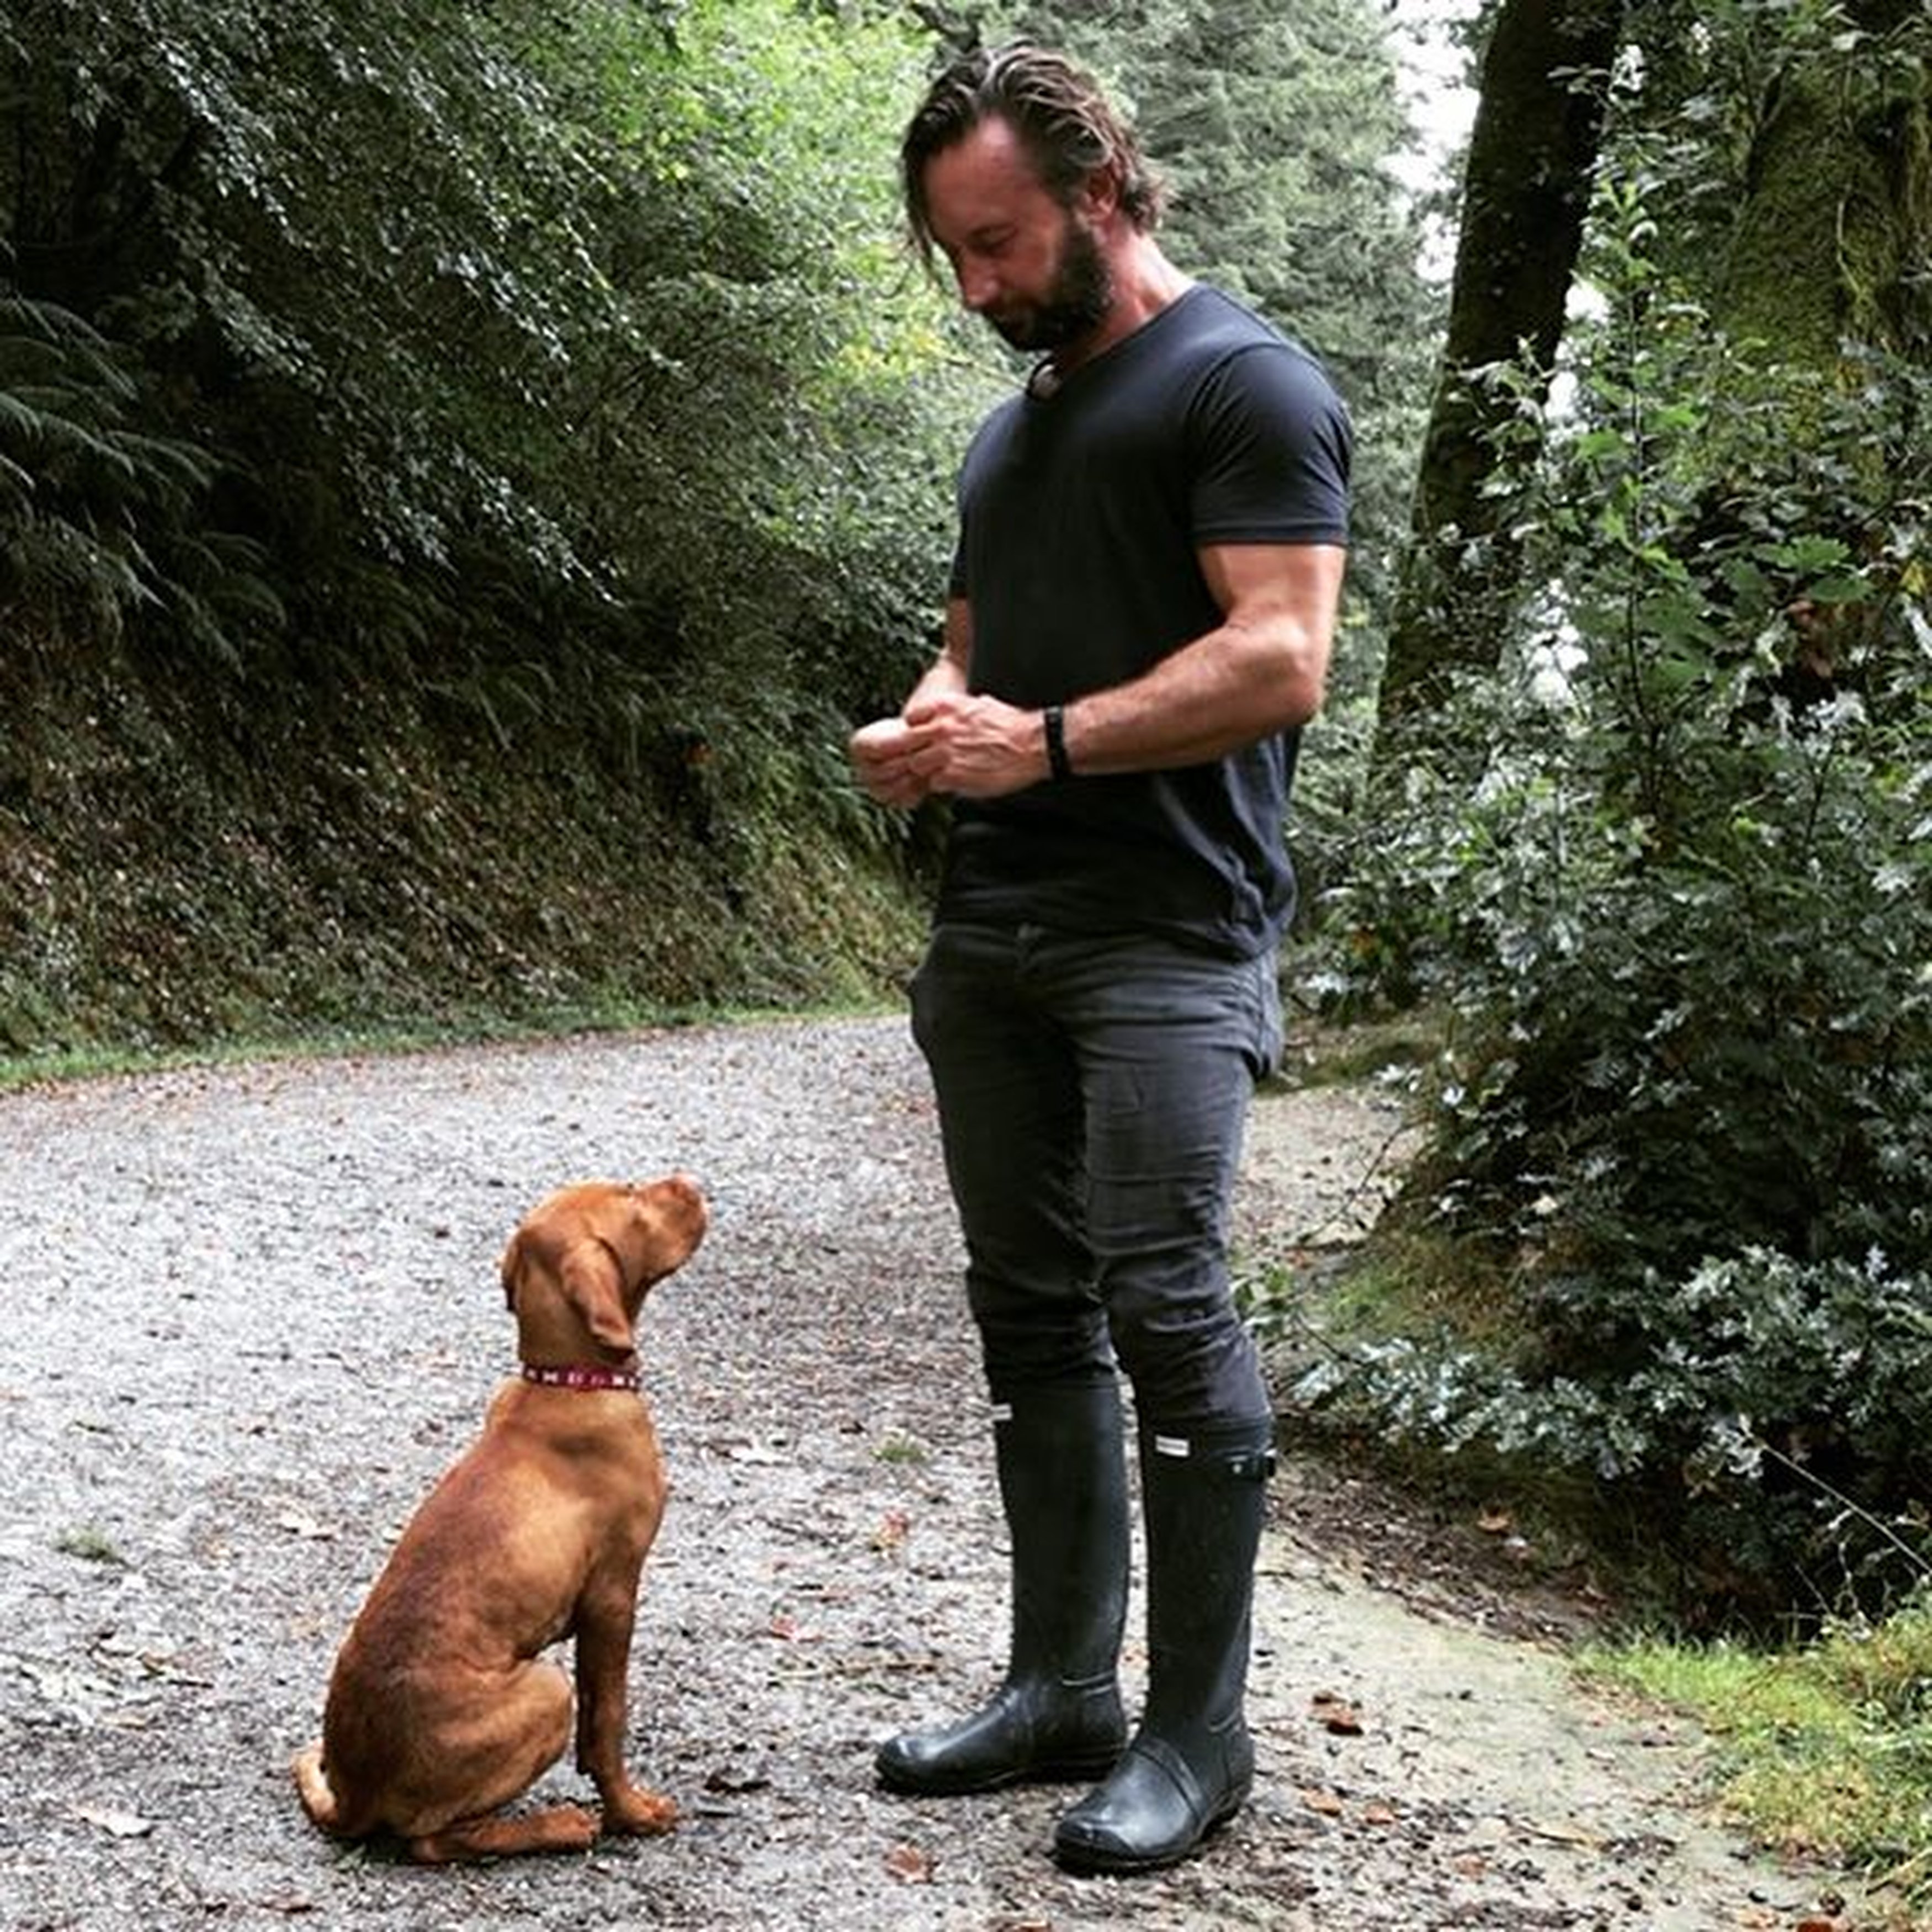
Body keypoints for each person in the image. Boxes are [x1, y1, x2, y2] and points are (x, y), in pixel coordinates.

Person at [850, 41, 1351, 1876]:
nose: (977, 285)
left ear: (1101, 188)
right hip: (991, 925)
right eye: (953, 255)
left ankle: (1194, 1736)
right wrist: (930, 725)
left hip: (1167, 933)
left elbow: (1281, 652)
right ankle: (1060, 1688)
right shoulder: (1011, 429)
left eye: (996, 243)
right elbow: (965, 648)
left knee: (1164, 1297)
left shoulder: (1244, 383)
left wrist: (1044, 743)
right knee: (1028, 1306)